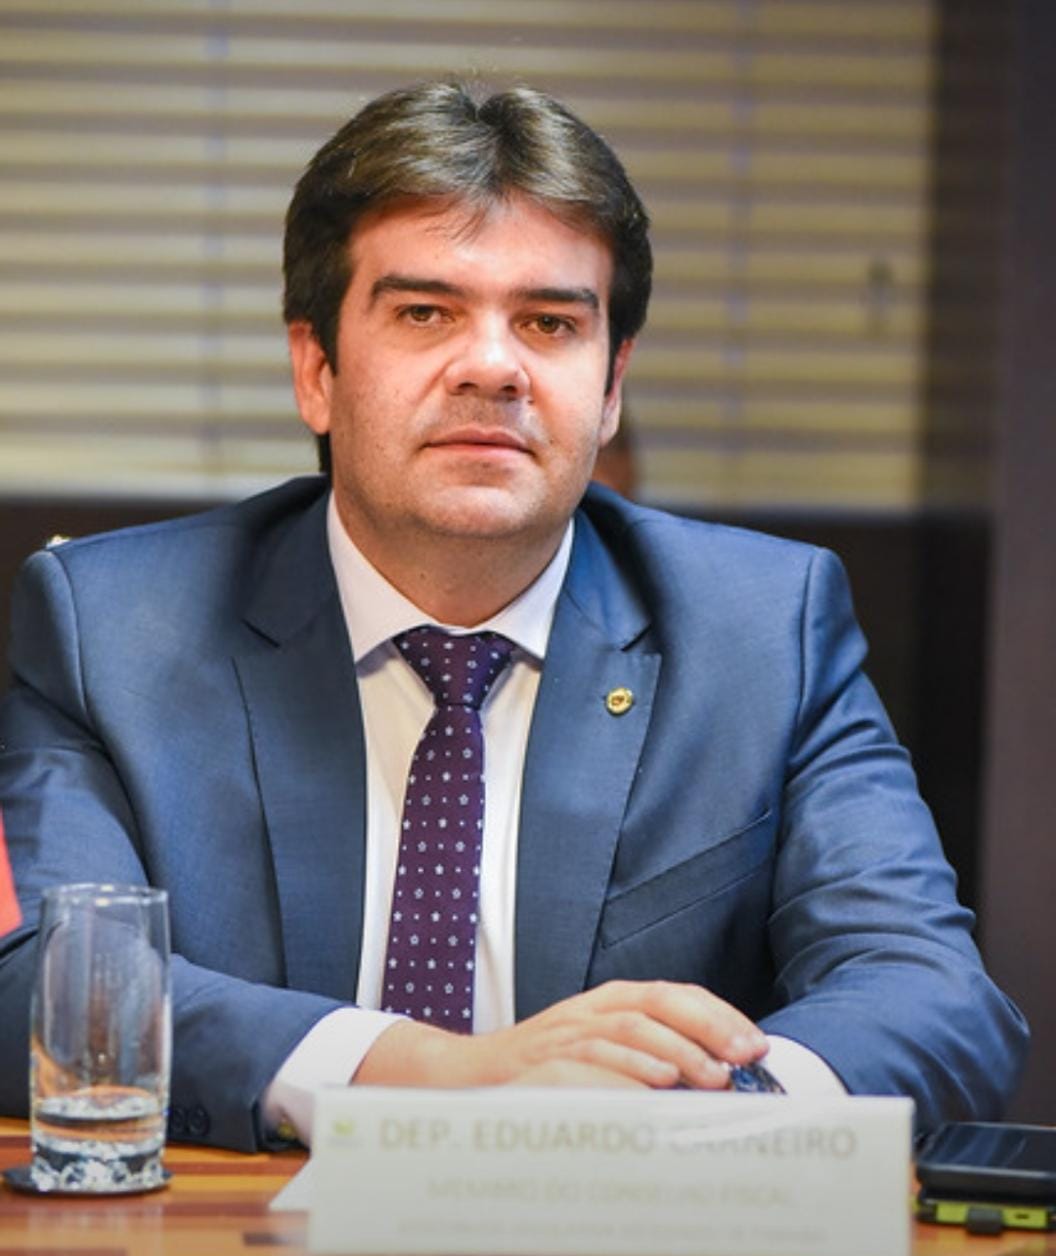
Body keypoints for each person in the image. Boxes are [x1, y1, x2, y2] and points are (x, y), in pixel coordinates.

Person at [0, 82, 1026, 1153]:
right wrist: (440, 1075)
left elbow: (933, 994)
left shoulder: (763, 631)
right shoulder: (113, 629)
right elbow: (35, 971)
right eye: (424, 313)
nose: (494, 367)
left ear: (612, 385)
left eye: (550, 323)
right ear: (317, 370)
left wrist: (703, 1118)